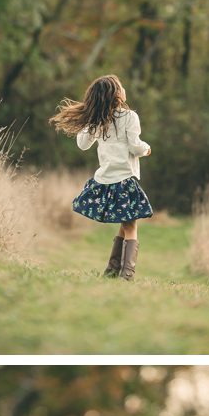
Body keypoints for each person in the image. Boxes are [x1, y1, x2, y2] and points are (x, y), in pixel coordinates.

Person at [49, 73, 154, 280]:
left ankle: (112, 270)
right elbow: (135, 146)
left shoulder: (98, 121)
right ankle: (127, 274)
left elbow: (82, 144)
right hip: (125, 180)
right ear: (117, 94)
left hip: (106, 180)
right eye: (121, 86)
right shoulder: (129, 116)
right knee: (131, 225)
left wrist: (91, 121)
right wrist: (147, 149)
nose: (124, 89)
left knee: (125, 224)